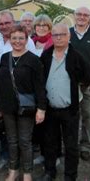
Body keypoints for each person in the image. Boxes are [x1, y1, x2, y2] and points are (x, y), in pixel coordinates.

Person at [37, 23, 90, 181]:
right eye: (55, 35)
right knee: (50, 143)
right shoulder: (46, 55)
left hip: (70, 110)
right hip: (50, 108)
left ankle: (70, 176)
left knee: (71, 146)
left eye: (62, 34)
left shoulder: (76, 56)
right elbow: (40, 80)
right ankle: (50, 172)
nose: (59, 37)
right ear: (52, 37)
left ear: (68, 36)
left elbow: (86, 76)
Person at [0, 25, 47, 181]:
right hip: (8, 107)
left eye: (21, 38)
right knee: (11, 140)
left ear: (26, 40)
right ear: (9, 39)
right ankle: (13, 170)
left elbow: (40, 86)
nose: (17, 41)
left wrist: (41, 109)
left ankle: (27, 173)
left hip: (26, 108)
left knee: (25, 141)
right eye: (14, 38)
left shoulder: (34, 60)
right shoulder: (5, 57)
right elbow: (1, 83)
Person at [69, 6, 90, 161]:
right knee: (72, 114)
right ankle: (71, 144)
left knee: (89, 114)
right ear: (74, 16)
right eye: (79, 14)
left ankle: (86, 145)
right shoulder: (66, 33)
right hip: (71, 80)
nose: (82, 17)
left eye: (85, 15)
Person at [31, 14, 54, 166]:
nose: (41, 28)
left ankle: (51, 155)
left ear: (49, 28)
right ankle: (39, 150)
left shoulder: (53, 43)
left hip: (49, 86)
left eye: (44, 26)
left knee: (49, 124)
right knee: (37, 122)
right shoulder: (31, 42)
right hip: (33, 88)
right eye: (38, 25)